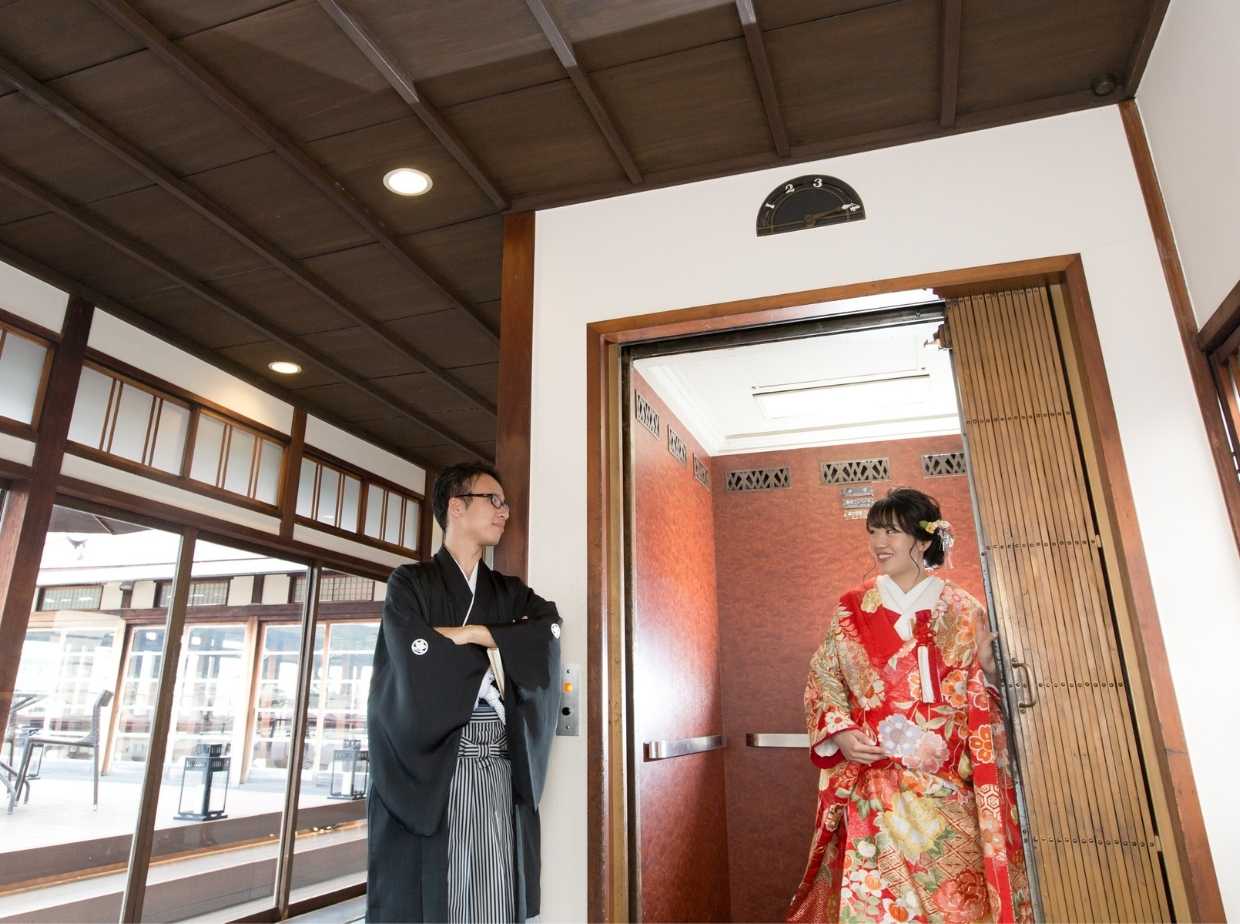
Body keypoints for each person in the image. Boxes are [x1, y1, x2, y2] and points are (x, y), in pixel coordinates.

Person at [787, 487, 1031, 923]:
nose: (879, 543)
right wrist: (842, 732)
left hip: (945, 782)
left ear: (923, 539)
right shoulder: (851, 608)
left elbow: (985, 696)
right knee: (875, 908)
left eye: (891, 532)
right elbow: (824, 676)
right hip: (874, 782)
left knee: (956, 905)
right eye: (874, 531)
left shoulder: (963, 608)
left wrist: (989, 671)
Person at [367, 462, 562, 923]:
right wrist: (498, 648)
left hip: (496, 763)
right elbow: (409, 653)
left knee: (494, 887)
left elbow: (548, 630)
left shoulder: (508, 591)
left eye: (505, 504)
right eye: (493, 500)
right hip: (436, 765)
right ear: (456, 507)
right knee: (440, 891)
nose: (504, 511)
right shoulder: (410, 583)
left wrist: (472, 634)